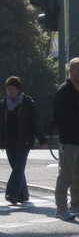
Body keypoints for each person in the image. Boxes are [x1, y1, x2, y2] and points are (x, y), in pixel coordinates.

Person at [53, 57, 79, 219]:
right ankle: (61, 209)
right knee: (65, 176)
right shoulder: (64, 90)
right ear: (70, 70)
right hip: (69, 139)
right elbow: (61, 117)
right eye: (78, 69)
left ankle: (77, 205)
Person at [1, 76, 47, 204]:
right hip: (9, 142)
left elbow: (35, 123)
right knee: (17, 168)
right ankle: (24, 195)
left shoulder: (27, 103)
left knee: (18, 167)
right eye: (8, 89)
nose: (9, 91)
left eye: (12, 89)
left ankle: (11, 193)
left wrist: (42, 140)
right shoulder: (3, 104)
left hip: (24, 141)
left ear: (18, 89)